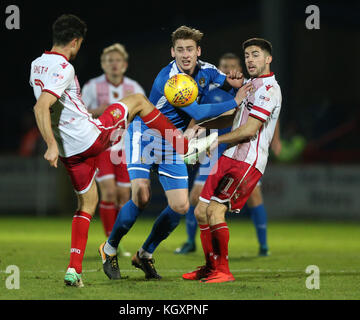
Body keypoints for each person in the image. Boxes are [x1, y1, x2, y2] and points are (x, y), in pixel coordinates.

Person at [29, 14, 213, 287]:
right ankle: (183, 144)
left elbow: (44, 105)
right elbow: (41, 106)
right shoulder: (64, 67)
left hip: (72, 153)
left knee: (85, 206)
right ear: (76, 42)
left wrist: (57, 144)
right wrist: (50, 145)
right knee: (138, 101)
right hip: (91, 136)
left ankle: (73, 270)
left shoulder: (36, 65)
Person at [99, 25, 251, 280]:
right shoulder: (169, 79)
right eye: (179, 49)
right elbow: (200, 113)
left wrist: (234, 82)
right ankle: (109, 247)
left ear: (198, 50)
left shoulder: (208, 70)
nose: (185, 54)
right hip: (146, 134)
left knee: (180, 206)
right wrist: (235, 101)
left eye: (190, 49)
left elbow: (227, 82)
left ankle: (144, 254)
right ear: (172, 52)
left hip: (172, 141)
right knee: (142, 195)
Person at [182, 38, 282, 283]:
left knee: (215, 210)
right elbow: (233, 120)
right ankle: (209, 266)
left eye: (256, 54)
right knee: (200, 211)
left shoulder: (269, 90)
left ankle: (224, 271)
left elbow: (249, 130)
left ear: (268, 59)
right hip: (230, 156)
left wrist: (214, 141)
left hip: (247, 161)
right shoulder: (250, 84)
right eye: (247, 54)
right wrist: (202, 127)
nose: (249, 59)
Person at [82, 44, 145, 256]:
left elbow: (144, 114)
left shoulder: (134, 88)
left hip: (125, 148)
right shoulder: (92, 86)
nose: (114, 64)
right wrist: (99, 112)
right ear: (103, 64)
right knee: (108, 192)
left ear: (125, 65)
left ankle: (116, 241)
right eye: (109, 61)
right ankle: (109, 242)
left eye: (118, 60)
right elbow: (80, 114)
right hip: (102, 147)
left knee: (123, 196)